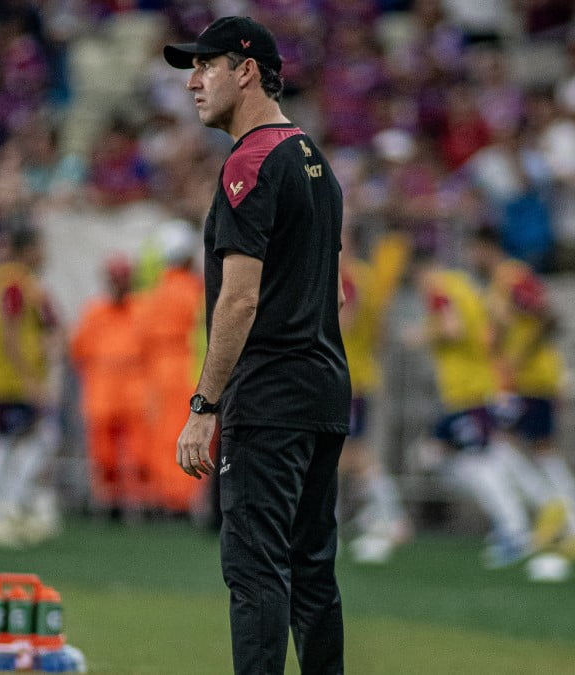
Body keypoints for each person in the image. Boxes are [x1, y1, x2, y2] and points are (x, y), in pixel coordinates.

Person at [165, 17, 350, 674]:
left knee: (255, 572)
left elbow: (239, 297)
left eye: (204, 65)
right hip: (324, 387)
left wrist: (202, 404)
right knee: (312, 572)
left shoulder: (249, 161)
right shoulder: (315, 160)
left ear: (245, 70)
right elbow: (336, 295)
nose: (192, 82)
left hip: (269, 395)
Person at [404, 250, 565, 568]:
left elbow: (454, 329)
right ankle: (536, 505)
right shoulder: (465, 285)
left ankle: (516, 527)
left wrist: (421, 333)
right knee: (442, 454)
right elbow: (493, 327)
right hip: (475, 386)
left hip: (467, 391)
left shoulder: (438, 289)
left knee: (477, 461)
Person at [470, 228, 575, 560]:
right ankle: (572, 526)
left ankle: (561, 517)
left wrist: (520, 356)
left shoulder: (513, 278)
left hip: (534, 379)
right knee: (527, 449)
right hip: (520, 381)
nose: (470, 257)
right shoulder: (500, 283)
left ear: (485, 248)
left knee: (508, 446)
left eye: (472, 250)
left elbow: (549, 316)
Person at [0, 227, 62, 547]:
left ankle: (7, 507)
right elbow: (9, 333)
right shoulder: (12, 283)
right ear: (27, 249)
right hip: (8, 381)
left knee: (23, 441)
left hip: (8, 378)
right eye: (40, 245)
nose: (45, 253)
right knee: (6, 444)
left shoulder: (20, 282)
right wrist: (29, 379)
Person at [338, 229, 412, 564]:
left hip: (345, 375)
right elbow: (380, 334)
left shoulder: (347, 278)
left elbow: (344, 323)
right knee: (343, 455)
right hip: (361, 371)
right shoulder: (369, 278)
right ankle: (341, 523)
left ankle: (392, 517)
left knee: (350, 456)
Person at [69, 256, 151, 518]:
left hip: (134, 396)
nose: (118, 284)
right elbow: (78, 351)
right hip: (102, 395)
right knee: (103, 456)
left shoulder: (142, 310)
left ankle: (136, 504)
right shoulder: (94, 312)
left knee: (137, 455)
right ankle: (106, 504)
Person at [136, 221, 207, 516]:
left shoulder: (154, 293)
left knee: (161, 435)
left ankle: (163, 497)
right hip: (188, 367)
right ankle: (184, 498)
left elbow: (141, 333)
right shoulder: (196, 290)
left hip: (156, 370)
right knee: (187, 433)